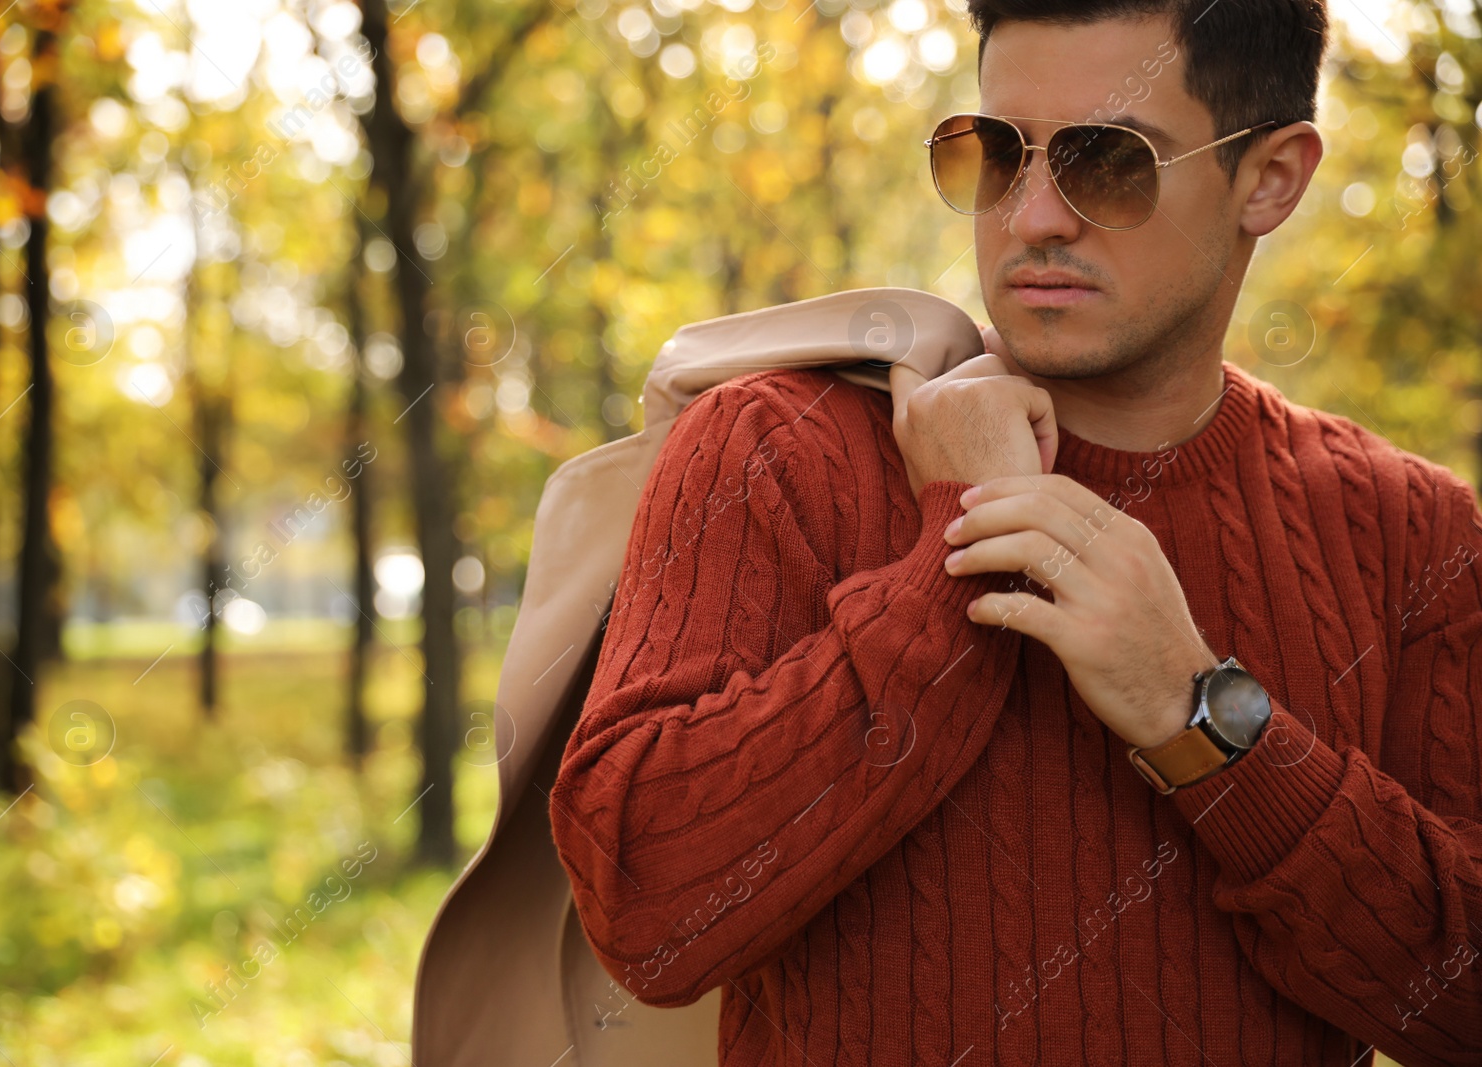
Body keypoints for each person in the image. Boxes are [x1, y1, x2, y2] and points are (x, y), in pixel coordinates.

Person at [548, 1, 1482, 1063]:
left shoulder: (1410, 527)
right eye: (995, 154)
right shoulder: (775, 445)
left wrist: (1200, 716)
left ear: (1270, 178)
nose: (1033, 216)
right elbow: (644, 913)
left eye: (1108, 161)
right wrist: (953, 556)